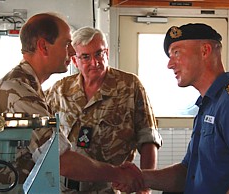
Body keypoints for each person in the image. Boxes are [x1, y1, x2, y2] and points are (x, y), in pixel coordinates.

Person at [0, 12, 145, 193]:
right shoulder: (19, 92)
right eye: (67, 44)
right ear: (43, 46)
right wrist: (118, 174)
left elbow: (146, 137)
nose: (73, 51)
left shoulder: (28, 87)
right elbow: (61, 160)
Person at [114, 23, 229, 194]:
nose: (170, 64)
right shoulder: (208, 105)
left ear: (205, 51)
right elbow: (186, 173)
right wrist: (140, 177)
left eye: (176, 53)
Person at [44, 26, 163, 193]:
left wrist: (145, 186)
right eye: (85, 57)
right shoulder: (60, 90)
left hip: (112, 188)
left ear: (106, 52)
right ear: (74, 61)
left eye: (99, 53)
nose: (95, 62)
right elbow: (41, 130)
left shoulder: (129, 86)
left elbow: (148, 137)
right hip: (65, 188)